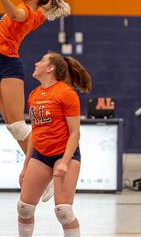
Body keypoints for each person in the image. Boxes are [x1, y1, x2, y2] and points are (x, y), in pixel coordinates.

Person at [0, 0, 70, 201]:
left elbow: (13, 13)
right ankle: (40, 169)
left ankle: (50, 171)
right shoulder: (39, 10)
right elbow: (60, 1)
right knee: (12, 126)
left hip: (9, 65)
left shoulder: (26, 12)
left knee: (18, 124)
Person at [17, 52, 92, 237]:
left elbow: (75, 133)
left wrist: (65, 161)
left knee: (63, 212)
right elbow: (35, 132)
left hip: (65, 154)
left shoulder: (66, 93)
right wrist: (26, 165)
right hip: (41, 156)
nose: (36, 62)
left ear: (50, 68)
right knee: (24, 209)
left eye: (41, 60)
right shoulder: (34, 95)